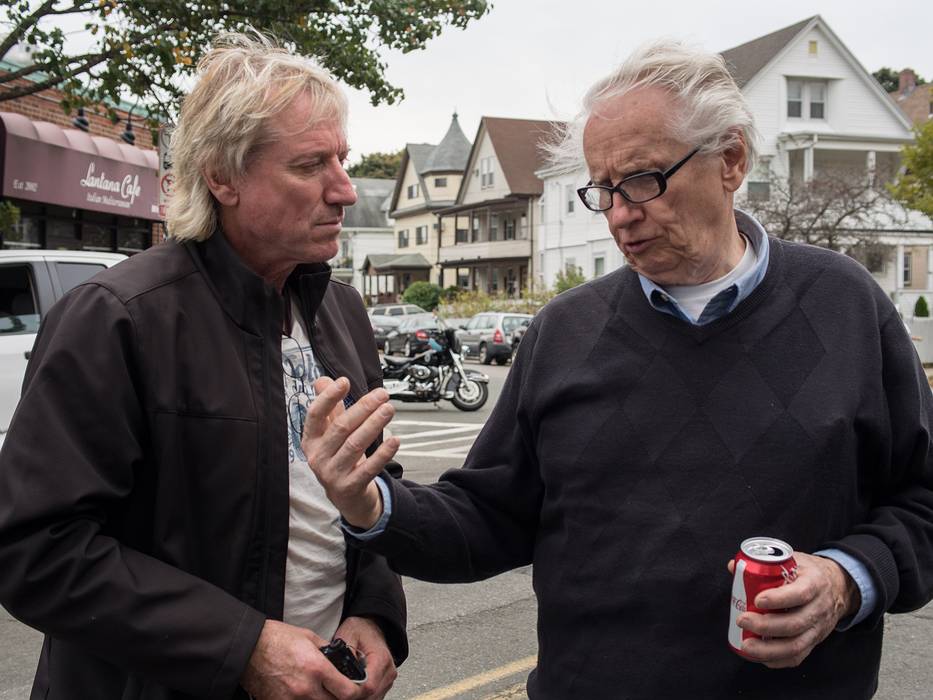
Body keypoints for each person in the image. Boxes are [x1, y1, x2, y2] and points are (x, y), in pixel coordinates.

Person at [300, 40, 933, 698]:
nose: (621, 213)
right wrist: (369, 504)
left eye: (642, 179)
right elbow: (487, 519)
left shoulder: (846, 307)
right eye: (601, 189)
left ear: (731, 160)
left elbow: (923, 503)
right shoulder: (563, 331)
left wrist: (844, 580)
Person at [0, 34, 406, 700]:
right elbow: (35, 550)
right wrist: (242, 648)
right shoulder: (116, 318)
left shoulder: (339, 311)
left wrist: (375, 608)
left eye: (342, 159)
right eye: (310, 165)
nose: (344, 190)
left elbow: (372, 488)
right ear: (223, 176)